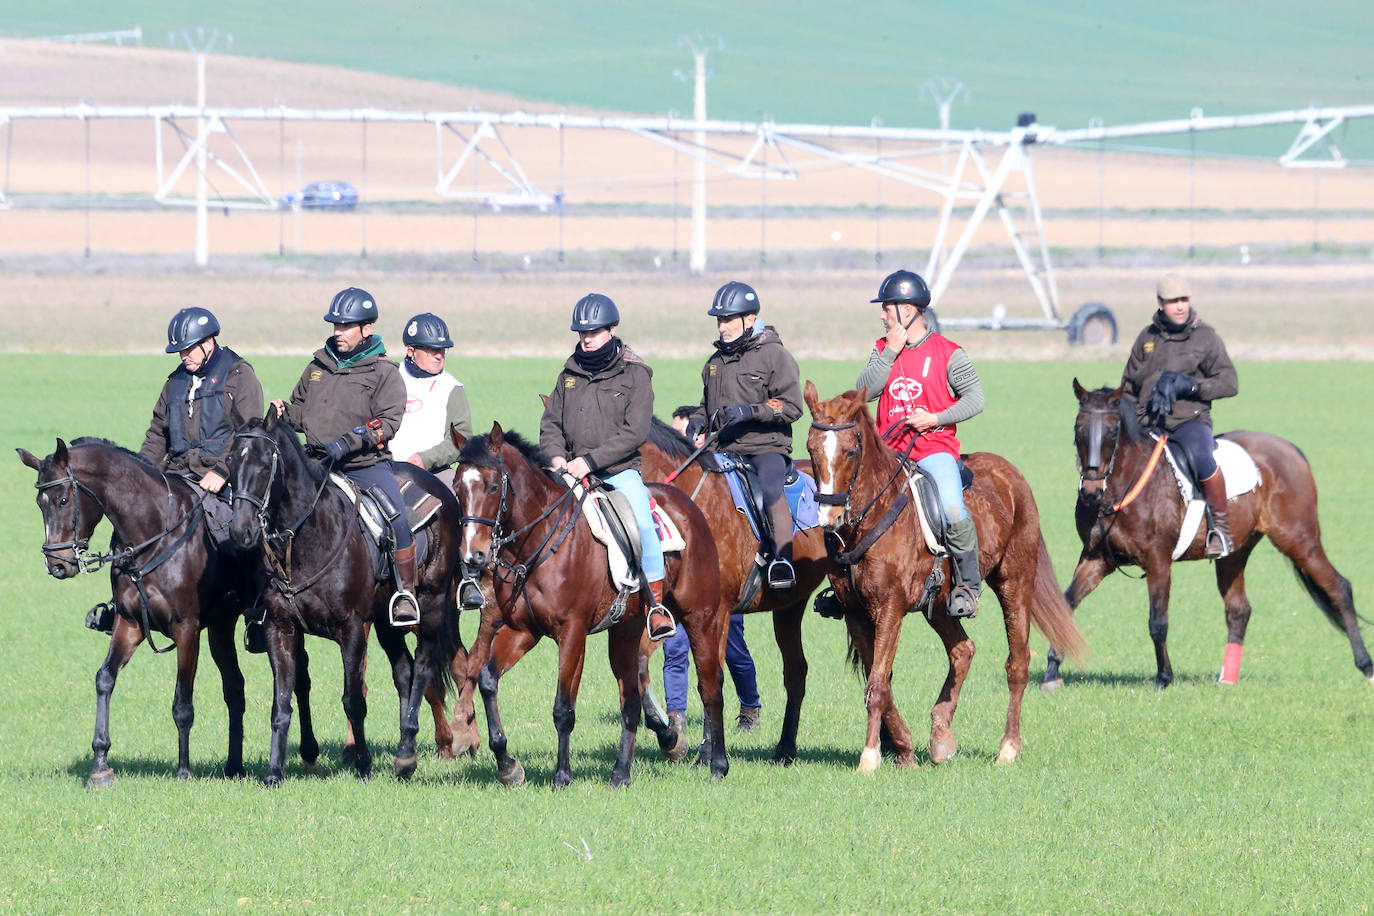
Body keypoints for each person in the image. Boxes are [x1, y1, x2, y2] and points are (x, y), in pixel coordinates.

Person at [273, 287, 420, 626]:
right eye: (335, 326)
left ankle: (405, 592)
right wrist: (282, 413)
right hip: (314, 465)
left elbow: (388, 422)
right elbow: (300, 411)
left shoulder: (384, 372)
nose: (338, 333)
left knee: (396, 516)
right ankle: (265, 599)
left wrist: (350, 442)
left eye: (346, 327)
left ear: (366, 329)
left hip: (364, 466)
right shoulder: (317, 367)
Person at [539, 293, 675, 641]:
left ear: (612, 330)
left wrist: (591, 461)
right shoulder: (569, 372)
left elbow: (635, 432)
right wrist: (556, 456)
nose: (586, 339)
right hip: (569, 470)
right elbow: (551, 422)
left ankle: (655, 606)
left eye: (594, 333)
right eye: (581, 333)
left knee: (643, 523)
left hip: (618, 471)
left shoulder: (636, 374)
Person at [856, 269, 985, 617]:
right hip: (887, 453)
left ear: (907, 310)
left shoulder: (948, 353)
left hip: (933, 449)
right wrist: (890, 353)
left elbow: (975, 399)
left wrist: (936, 419)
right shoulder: (882, 348)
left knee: (952, 508)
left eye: (886, 308)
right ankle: (844, 586)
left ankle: (968, 587)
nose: (881, 315)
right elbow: (864, 392)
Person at [685, 281, 803, 592]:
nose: (722, 327)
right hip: (725, 449)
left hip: (766, 449)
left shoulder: (775, 355)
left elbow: (791, 405)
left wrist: (753, 411)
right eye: (719, 320)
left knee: (770, 488)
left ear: (749, 320)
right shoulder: (714, 364)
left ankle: (782, 561)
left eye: (728, 320)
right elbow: (705, 406)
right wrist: (698, 422)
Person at [1121, 273, 1238, 557]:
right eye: (1173, 301)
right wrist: (1131, 415)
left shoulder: (1205, 337)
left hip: (1189, 422)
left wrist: (1193, 386)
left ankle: (1220, 530)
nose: (1180, 306)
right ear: (1161, 304)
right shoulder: (1147, 338)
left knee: (1201, 456)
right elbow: (1127, 386)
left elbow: (1230, 382)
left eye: (1184, 300)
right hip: (1148, 422)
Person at [666, 404, 763, 732]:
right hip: (681, 584)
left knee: (733, 647)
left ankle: (750, 705)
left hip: (720, 584)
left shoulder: (714, 481)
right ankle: (675, 718)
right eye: (677, 436)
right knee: (675, 646)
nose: (682, 442)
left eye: (686, 435)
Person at [388, 312, 473, 487]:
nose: (439, 356)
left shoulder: (452, 388)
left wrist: (426, 459)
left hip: (434, 472)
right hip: (385, 467)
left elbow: (461, 439)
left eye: (442, 350)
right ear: (411, 351)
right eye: (432, 350)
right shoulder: (389, 376)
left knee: (460, 498)